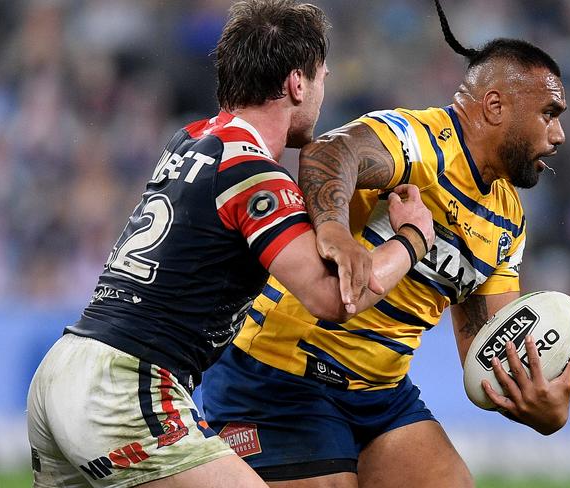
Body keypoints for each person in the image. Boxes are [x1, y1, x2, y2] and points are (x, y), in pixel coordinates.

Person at [25, 1, 435, 487]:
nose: (322, 95)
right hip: (125, 382)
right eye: (322, 76)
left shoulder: (189, 139)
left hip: (63, 368)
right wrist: (411, 240)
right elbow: (332, 297)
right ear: (297, 83)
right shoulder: (253, 171)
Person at [201, 1, 570, 487]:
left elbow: (488, 352)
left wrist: (540, 404)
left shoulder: (508, 220)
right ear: (495, 106)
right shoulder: (417, 142)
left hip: (379, 392)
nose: (559, 134)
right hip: (278, 374)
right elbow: (330, 152)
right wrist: (333, 229)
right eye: (549, 113)